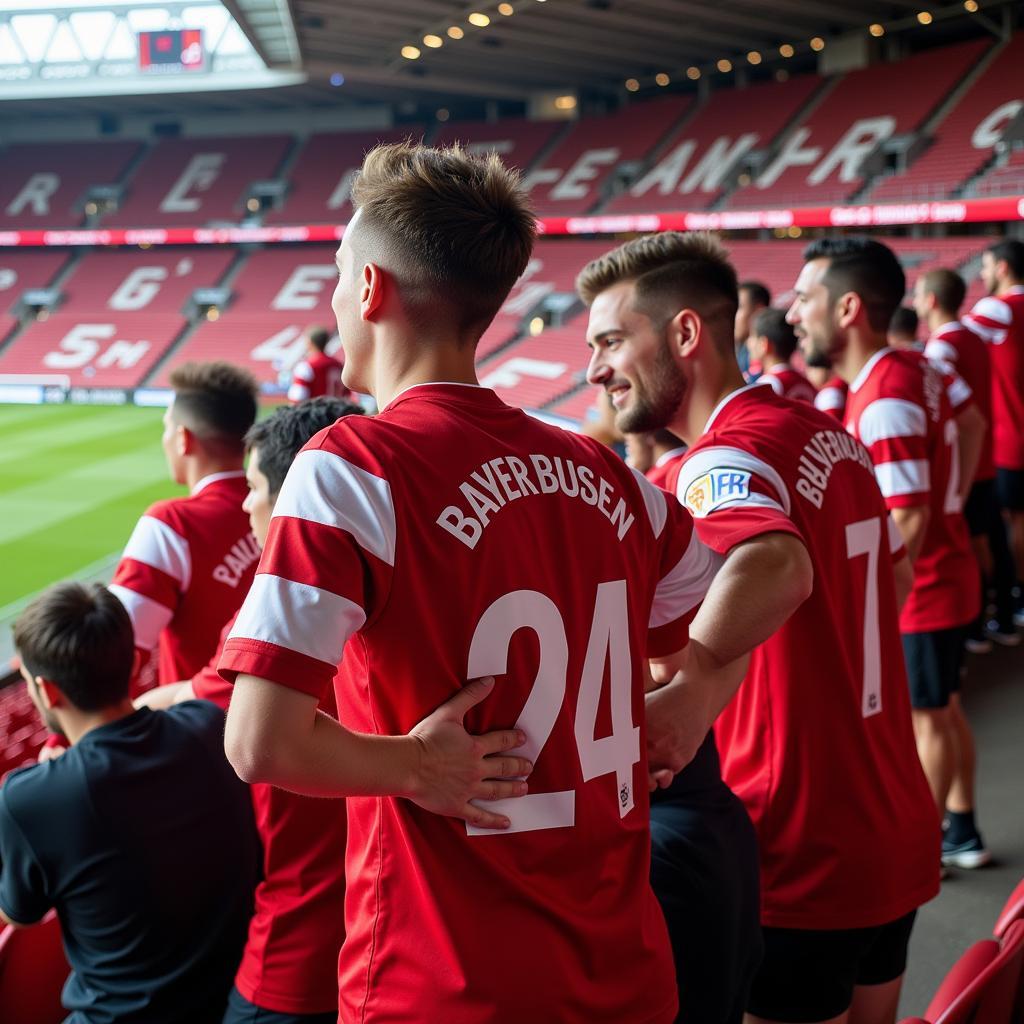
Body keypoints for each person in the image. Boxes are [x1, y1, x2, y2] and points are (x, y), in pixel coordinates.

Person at [216, 143, 776, 1024]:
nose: (331, 296)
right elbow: (741, 603)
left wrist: (412, 765)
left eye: (335, 273)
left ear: (369, 290)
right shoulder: (610, 475)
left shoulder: (356, 467)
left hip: (443, 983)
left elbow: (258, 742)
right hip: (624, 971)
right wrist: (698, 692)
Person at [582, 231, 938, 1024]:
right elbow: (896, 575)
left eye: (610, 340)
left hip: (798, 847)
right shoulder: (831, 438)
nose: (595, 368)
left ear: (685, 334)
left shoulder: (713, 465)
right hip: (890, 819)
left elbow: (777, 565)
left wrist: (697, 682)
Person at [138, 397, 364, 1024]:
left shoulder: (271, 623)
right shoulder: (420, 605)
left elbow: (186, 704)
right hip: (397, 947)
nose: (245, 504)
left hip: (296, 955)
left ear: (297, 498)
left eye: (257, 488)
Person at [790, 236, 989, 870]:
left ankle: (921, 851)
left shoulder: (887, 396)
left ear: (846, 309)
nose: (794, 314)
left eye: (805, 299)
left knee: (927, 722)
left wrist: (868, 605)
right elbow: (971, 427)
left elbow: (908, 512)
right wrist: (952, 504)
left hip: (924, 593)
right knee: (945, 712)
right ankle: (961, 828)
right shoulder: (910, 370)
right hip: (944, 576)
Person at [1, 582, 259, 1024]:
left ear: (47, 690)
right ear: (135, 660)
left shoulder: (33, 798)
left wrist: (53, 778)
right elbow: (178, 703)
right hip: (230, 995)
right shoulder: (206, 726)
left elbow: (18, 917)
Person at [109, 361, 261, 688]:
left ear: (183, 439)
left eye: (166, 428)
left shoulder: (172, 524)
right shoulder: (283, 505)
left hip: (199, 729)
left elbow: (107, 654)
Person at [917, 268, 1017, 651]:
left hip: (965, 466)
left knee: (974, 548)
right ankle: (1003, 617)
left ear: (930, 301)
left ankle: (974, 627)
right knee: (992, 542)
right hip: (985, 459)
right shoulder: (974, 337)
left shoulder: (941, 349)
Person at [963, 239, 1024, 630]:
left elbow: (951, 339)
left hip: (1011, 441)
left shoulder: (997, 307)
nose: (982, 275)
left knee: (1012, 522)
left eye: (986, 267)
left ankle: (1014, 597)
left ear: (1002, 268)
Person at [747, 307, 817, 404]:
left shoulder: (766, 385)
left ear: (764, 345)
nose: (748, 343)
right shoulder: (808, 384)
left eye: (752, 336)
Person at [288, 326, 351, 403]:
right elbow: (346, 393)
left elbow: (297, 397)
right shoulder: (338, 365)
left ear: (309, 342)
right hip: (337, 412)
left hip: (315, 413)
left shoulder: (306, 366)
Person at [736, 280, 770, 379]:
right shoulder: (741, 350)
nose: (731, 315)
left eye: (738, 307)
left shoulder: (767, 354)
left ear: (759, 311)